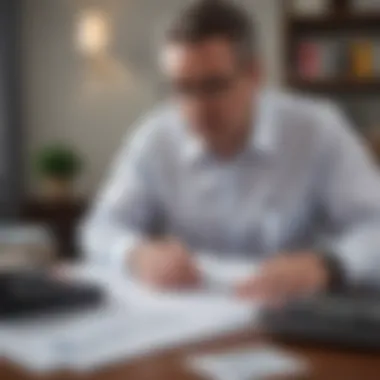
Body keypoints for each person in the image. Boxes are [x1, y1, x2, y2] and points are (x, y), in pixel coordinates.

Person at [81, 0, 380, 304]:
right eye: (182, 88)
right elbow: (100, 228)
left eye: (213, 86)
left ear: (254, 74)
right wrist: (136, 254)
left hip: (295, 315)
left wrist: (327, 266)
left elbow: (375, 227)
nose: (196, 108)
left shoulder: (316, 130)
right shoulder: (154, 138)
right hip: (190, 321)